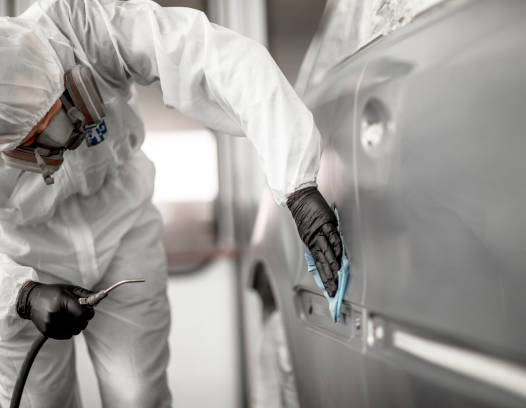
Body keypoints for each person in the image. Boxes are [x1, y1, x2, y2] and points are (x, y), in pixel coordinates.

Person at [0, 0, 342, 406]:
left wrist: (297, 184)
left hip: (122, 226)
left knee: (139, 394)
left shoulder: (81, 26)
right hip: (22, 256)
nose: (73, 133)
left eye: (67, 109)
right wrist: (20, 294)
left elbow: (214, 56)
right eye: (45, 135)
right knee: (39, 401)